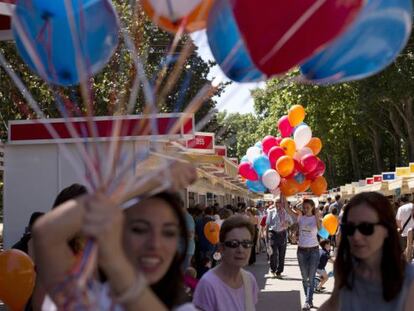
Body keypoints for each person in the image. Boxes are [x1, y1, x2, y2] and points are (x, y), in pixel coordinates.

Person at [33, 162, 198, 310]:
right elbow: (46, 234)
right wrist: (154, 179)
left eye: (168, 233)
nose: (155, 243)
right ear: (119, 233)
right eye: (139, 230)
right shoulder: (90, 300)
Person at [320, 192, 414, 311]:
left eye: (366, 227)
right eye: (349, 228)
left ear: (386, 229)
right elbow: (333, 304)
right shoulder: (347, 270)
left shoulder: (408, 280)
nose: (356, 236)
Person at [193, 215, 259, 311]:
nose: (240, 250)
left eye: (246, 244)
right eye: (233, 244)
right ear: (221, 247)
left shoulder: (249, 280)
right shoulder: (208, 284)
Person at [285, 198, 321, 310]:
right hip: (301, 251)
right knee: (304, 278)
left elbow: (321, 231)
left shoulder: (316, 218)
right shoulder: (300, 218)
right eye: (304, 208)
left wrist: (318, 217)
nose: (305, 209)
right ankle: (308, 299)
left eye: (307, 207)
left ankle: (307, 301)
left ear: (312, 208)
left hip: (314, 251)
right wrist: (283, 194)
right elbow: (287, 208)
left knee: (311, 277)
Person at [266, 198, 289, 278]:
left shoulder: (285, 212)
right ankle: (273, 269)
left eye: (279, 202)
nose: (278, 204)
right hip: (273, 233)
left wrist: (287, 224)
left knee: (282, 254)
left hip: (282, 233)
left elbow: (289, 222)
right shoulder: (271, 211)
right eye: (276, 202)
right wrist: (266, 236)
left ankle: (279, 271)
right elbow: (268, 224)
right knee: (273, 253)